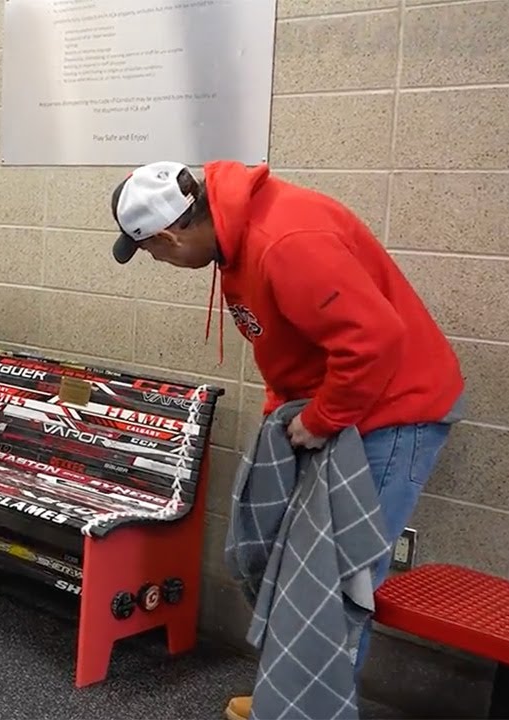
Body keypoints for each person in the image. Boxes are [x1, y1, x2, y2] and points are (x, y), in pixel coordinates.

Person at [106, 160, 464, 720]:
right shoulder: (235, 234)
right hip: (346, 407)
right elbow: (291, 345)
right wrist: (284, 419)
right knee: (296, 565)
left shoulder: (286, 240)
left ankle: (309, 711)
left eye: (151, 251)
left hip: (394, 412)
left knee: (339, 579)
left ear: (169, 234)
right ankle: (289, 697)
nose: (159, 262)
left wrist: (320, 420)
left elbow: (372, 343)